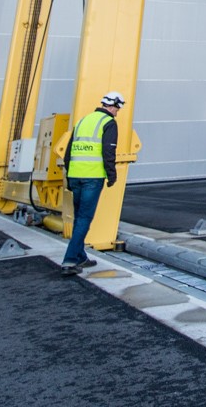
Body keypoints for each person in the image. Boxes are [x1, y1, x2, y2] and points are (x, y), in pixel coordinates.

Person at [60, 90, 125, 275]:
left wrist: (69, 175)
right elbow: (108, 151)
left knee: (79, 217)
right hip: (92, 177)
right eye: (118, 109)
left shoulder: (83, 121)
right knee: (84, 218)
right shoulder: (109, 123)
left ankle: (81, 256)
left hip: (75, 175)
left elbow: (68, 153)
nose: (117, 112)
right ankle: (70, 260)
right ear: (113, 106)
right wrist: (112, 175)